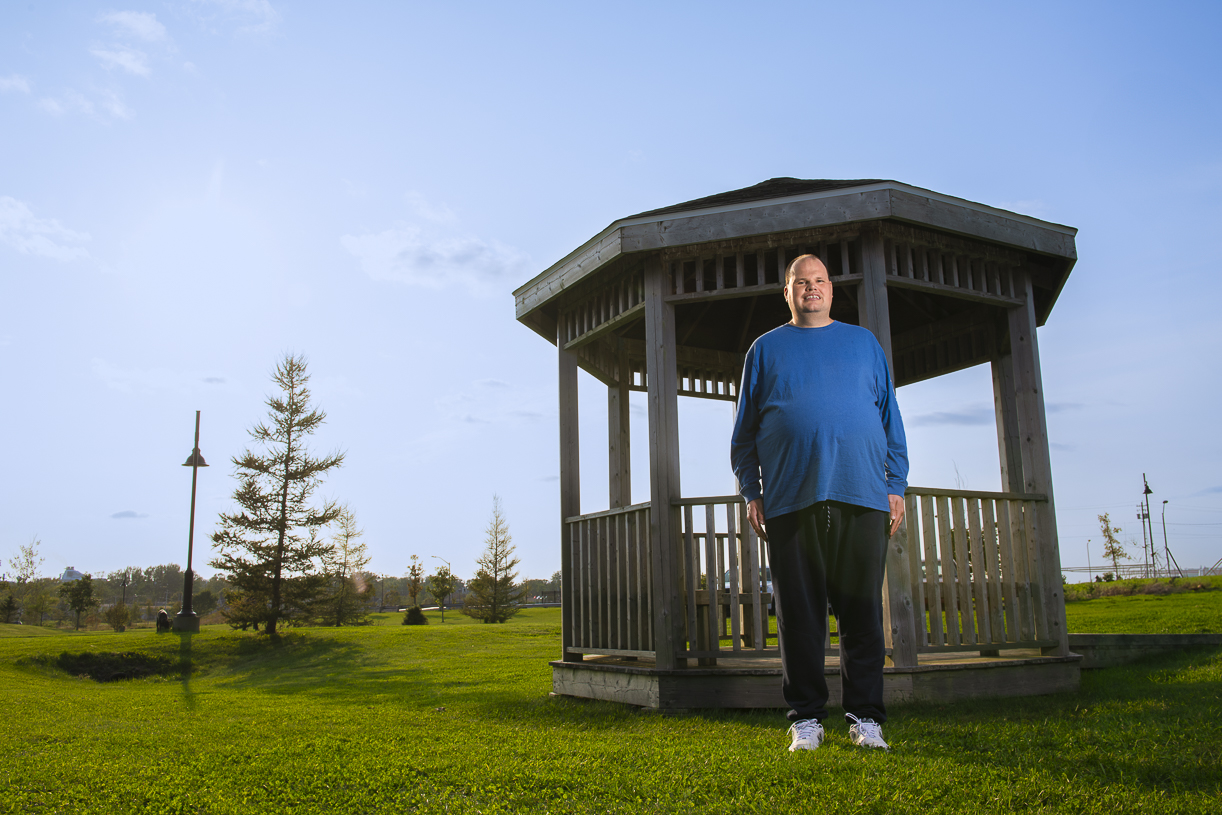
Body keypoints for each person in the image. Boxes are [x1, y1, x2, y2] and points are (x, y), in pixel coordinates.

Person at [730, 253, 909, 752]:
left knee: (861, 617)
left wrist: (895, 486)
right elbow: (744, 436)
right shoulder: (764, 351)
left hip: (862, 496)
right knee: (800, 618)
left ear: (832, 289)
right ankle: (806, 719)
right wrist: (753, 491)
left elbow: (891, 421)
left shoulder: (864, 344)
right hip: (790, 500)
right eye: (800, 282)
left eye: (819, 281)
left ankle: (865, 718)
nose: (811, 288)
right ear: (786, 293)